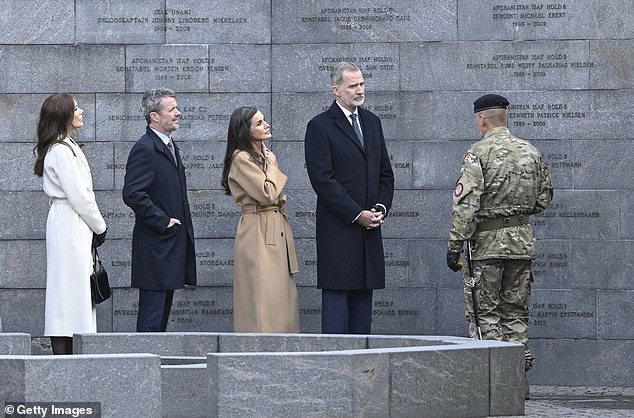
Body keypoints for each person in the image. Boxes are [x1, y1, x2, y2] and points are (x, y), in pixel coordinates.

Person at [446, 93, 554, 398]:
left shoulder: (477, 153)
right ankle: (517, 382)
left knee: (485, 314)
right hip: (521, 244)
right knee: (516, 315)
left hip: (487, 247)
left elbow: (466, 206)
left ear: (481, 119)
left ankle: (492, 385)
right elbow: (544, 199)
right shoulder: (530, 151)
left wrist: (455, 245)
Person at [304, 62, 395, 334]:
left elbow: (385, 173)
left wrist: (379, 208)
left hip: (369, 231)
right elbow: (323, 180)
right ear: (336, 90)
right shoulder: (319, 126)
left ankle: (362, 370)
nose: (360, 90)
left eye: (362, 84)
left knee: (362, 307)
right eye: (353, 85)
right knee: (337, 305)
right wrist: (357, 214)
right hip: (340, 230)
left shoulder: (372, 122)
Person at [34, 94, 107, 355]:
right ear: (64, 114)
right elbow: (80, 195)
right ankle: (65, 358)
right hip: (70, 223)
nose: (81, 111)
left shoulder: (65, 146)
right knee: (67, 293)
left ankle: (69, 355)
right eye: (76, 108)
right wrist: (100, 226)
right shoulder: (61, 150)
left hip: (71, 222)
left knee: (69, 292)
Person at [122, 88, 196, 332]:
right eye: (172, 109)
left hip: (168, 245)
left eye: (176, 108)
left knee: (161, 317)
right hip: (156, 246)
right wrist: (163, 221)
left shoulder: (169, 145)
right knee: (152, 318)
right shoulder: (145, 148)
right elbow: (132, 194)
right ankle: (144, 366)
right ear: (154, 117)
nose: (178, 113)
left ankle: (156, 365)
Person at [221, 106, 300, 333]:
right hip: (258, 229)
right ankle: (260, 350)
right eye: (258, 123)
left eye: (264, 120)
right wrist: (273, 165)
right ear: (245, 130)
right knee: (261, 295)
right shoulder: (241, 158)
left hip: (275, 227)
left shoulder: (263, 155)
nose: (266, 125)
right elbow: (268, 193)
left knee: (281, 295)